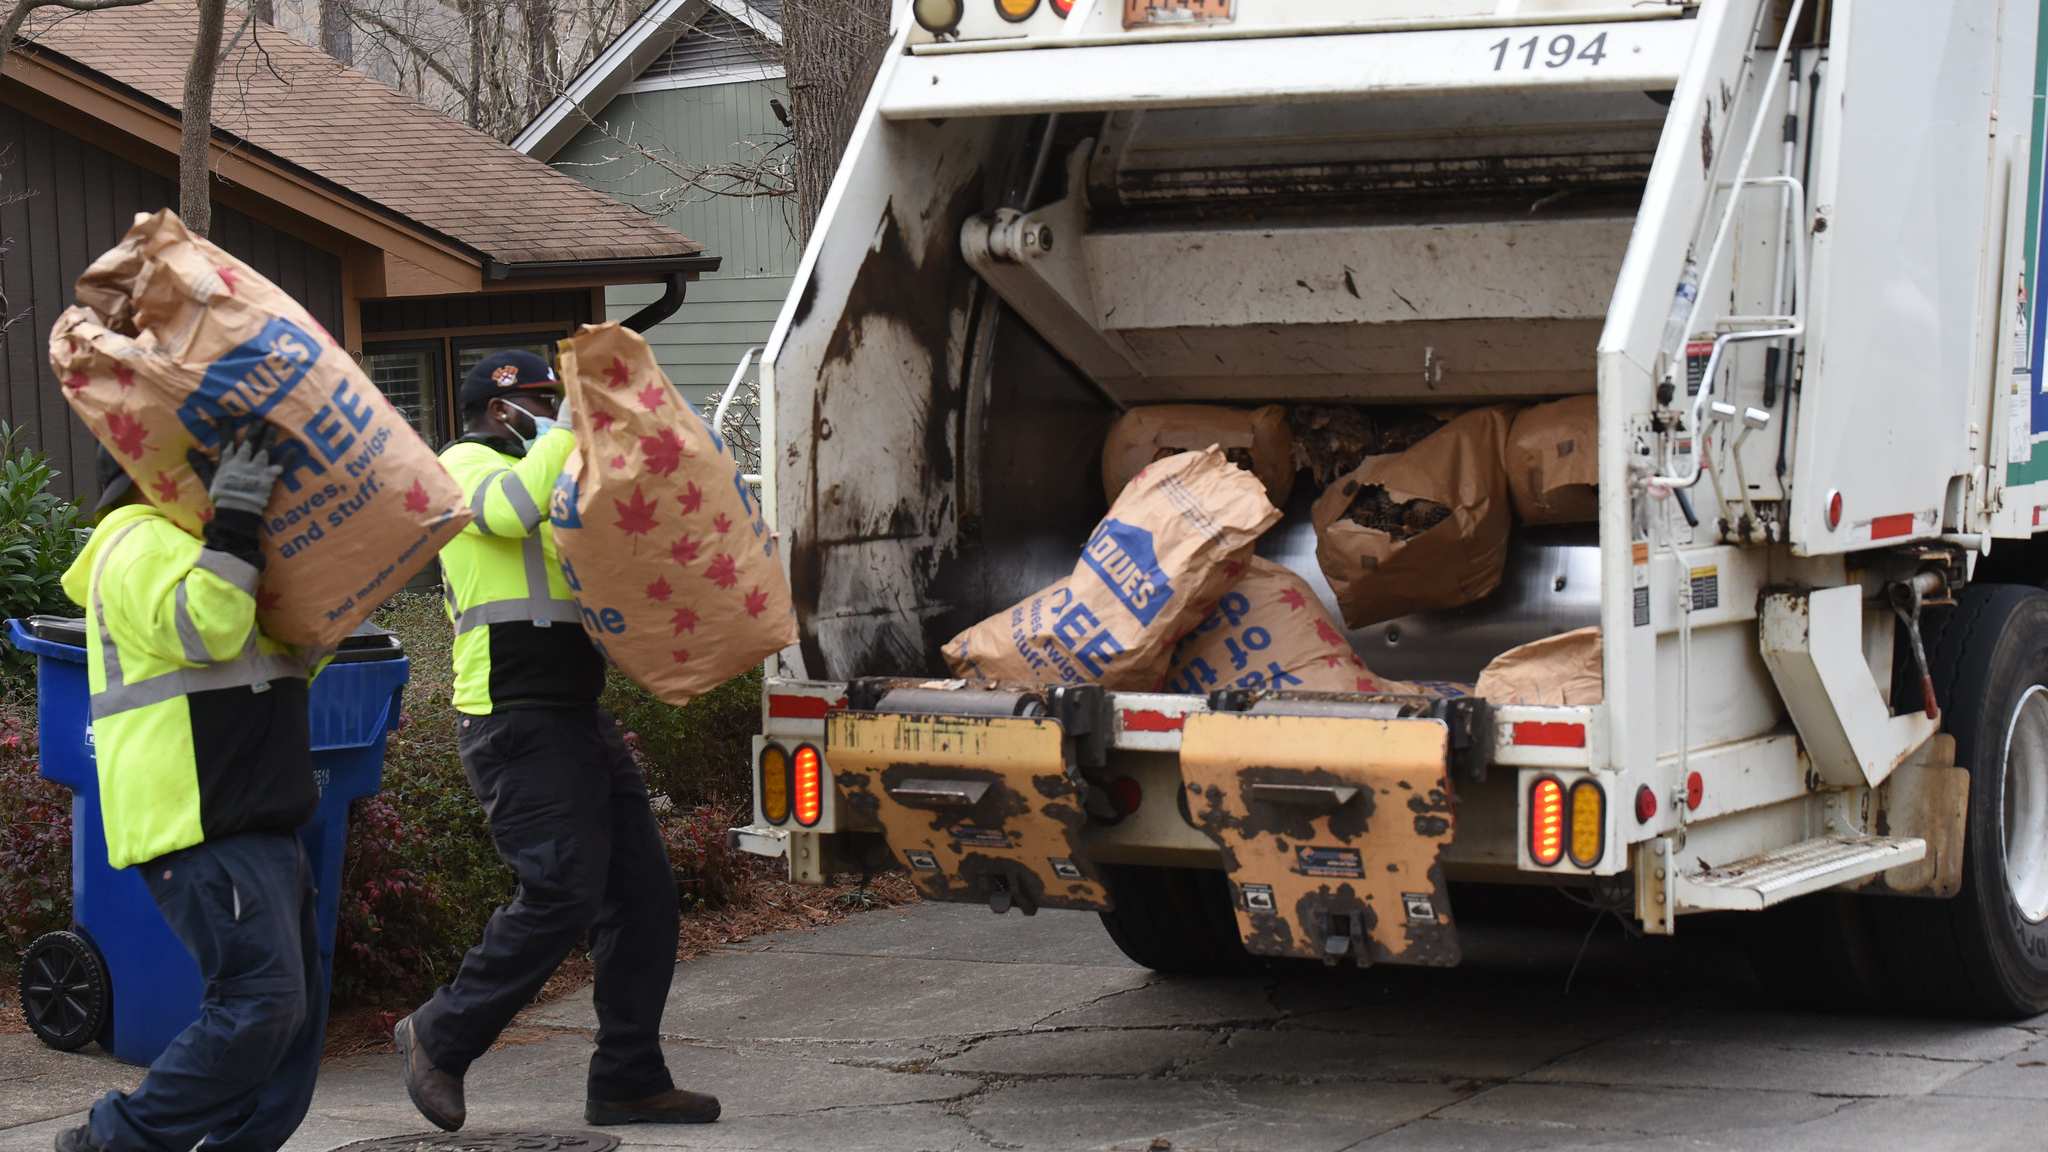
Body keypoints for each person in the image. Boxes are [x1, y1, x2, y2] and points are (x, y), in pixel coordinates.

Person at [394, 350, 716, 1130]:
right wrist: (564, 435)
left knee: (642, 897)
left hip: (574, 712)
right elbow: (509, 512)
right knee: (561, 889)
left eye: (557, 403)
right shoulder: (461, 466)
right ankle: (440, 1033)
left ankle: (628, 1079)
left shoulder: (555, 478)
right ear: (500, 409)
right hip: (509, 714)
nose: (555, 416)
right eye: (541, 403)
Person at [57, 429, 324, 1152]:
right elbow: (205, 631)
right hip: (204, 818)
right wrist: (235, 522)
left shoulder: (202, 552)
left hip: (254, 811)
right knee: (260, 1007)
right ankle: (113, 1143)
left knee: (288, 1024)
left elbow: (265, 664)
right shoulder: (135, 540)